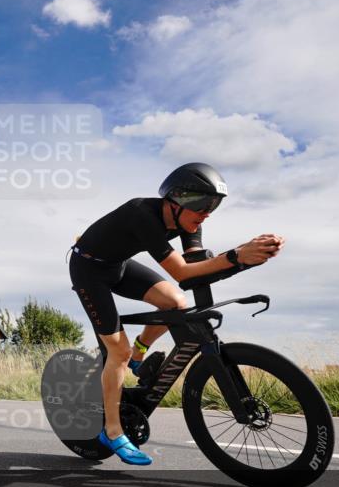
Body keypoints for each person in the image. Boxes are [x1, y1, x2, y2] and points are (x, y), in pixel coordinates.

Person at [68, 162, 284, 465]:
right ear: (176, 199)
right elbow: (182, 272)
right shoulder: (142, 214)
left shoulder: (189, 222)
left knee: (177, 303)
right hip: (88, 269)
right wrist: (236, 256)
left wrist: (247, 260)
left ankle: (140, 353)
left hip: (118, 266)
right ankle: (113, 431)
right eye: (202, 204)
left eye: (214, 205)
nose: (207, 213)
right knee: (117, 349)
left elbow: (198, 270)